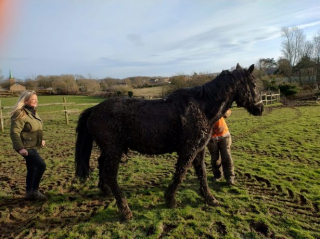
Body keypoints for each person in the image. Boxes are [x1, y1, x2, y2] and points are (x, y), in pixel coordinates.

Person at [10, 91, 47, 200]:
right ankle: (34, 191)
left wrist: (40, 140)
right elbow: (14, 132)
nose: (36, 101)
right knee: (41, 165)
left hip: (33, 145)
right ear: (25, 101)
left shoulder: (33, 112)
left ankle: (29, 193)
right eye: (33, 99)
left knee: (32, 169)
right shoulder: (20, 113)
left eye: (36, 99)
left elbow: (34, 128)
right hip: (26, 147)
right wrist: (20, 148)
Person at [207, 109, 235, 185]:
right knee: (215, 158)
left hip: (224, 135)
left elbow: (228, 113)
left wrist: (224, 111)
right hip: (211, 137)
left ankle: (230, 177)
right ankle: (217, 176)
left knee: (226, 156)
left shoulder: (218, 103)